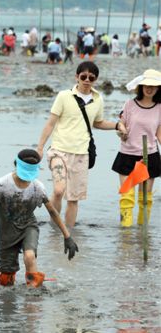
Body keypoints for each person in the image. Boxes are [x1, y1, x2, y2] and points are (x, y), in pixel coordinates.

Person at [0, 149, 78, 288]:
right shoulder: (2, 184)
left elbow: (52, 211)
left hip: (28, 226)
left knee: (29, 256)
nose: (26, 179)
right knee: (6, 282)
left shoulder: (37, 187)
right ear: (16, 164)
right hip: (7, 232)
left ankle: (33, 294)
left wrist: (67, 236)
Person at [36, 61, 127, 228]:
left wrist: (116, 125)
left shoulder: (98, 99)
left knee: (73, 198)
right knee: (58, 190)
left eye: (91, 77)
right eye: (83, 76)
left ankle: (68, 234)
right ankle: (55, 228)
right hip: (59, 151)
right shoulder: (64, 96)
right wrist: (40, 147)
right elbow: (50, 123)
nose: (87, 80)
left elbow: (97, 122)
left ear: (95, 79)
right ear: (76, 77)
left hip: (81, 154)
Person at [113, 69, 161, 227]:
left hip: (150, 156)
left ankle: (142, 233)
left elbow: (159, 135)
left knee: (145, 198)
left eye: (153, 86)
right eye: (146, 85)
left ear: (158, 88)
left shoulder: (160, 108)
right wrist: (122, 131)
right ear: (140, 86)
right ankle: (125, 235)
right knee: (127, 196)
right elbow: (121, 125)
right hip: (127, 155)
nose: (149, 88)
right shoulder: (129, 104)